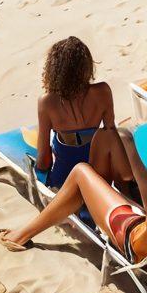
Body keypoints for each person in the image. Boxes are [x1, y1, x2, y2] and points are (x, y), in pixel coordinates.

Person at [0, 128, 147, 260]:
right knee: (106, 186)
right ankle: (79, 199)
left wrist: (119, 132)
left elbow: (127, 141)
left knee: (81, 171)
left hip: (136, 247)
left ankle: (22, 235)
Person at [34, 36, 115, 188]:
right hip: (99, 177)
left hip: (65, 182)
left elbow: (44, 160)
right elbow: (112, 136)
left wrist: (37, 167)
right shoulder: (103, 91)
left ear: (53, 70)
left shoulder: (47, 102)